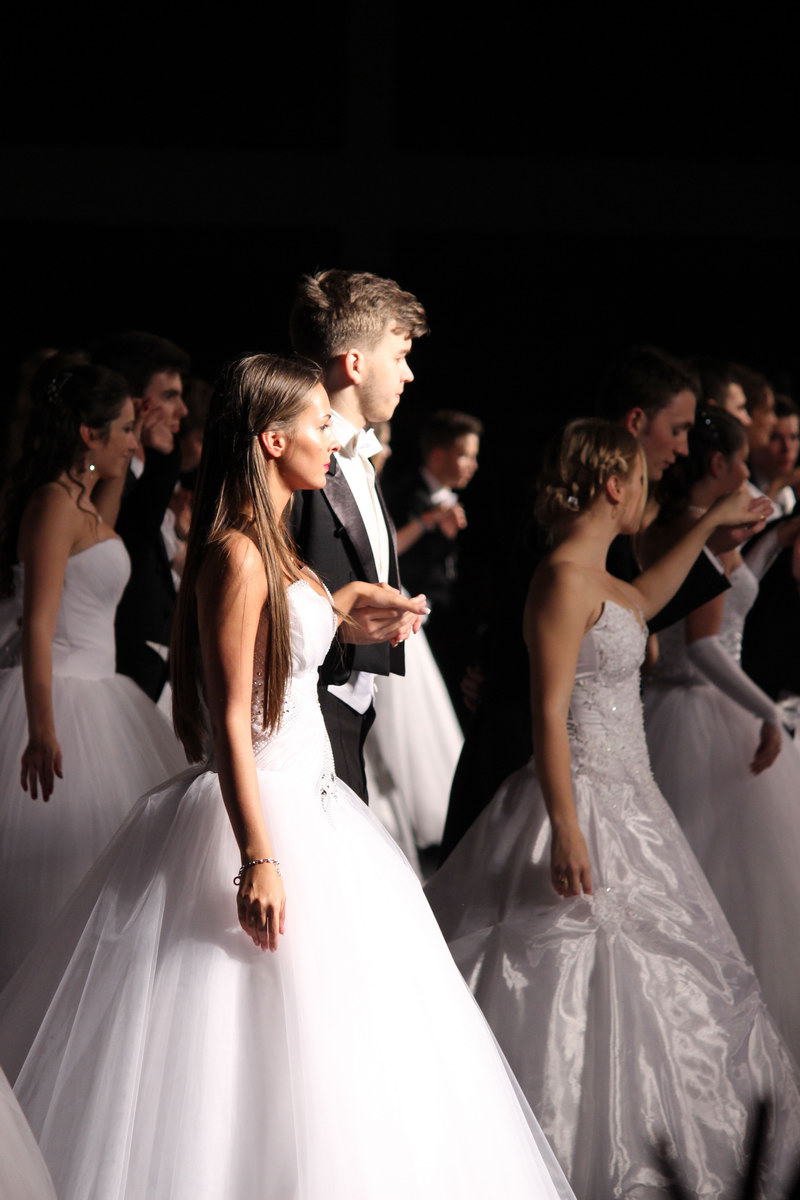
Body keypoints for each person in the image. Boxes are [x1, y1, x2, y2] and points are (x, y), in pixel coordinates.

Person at [0, 355, 574, 1200]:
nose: (332, 437)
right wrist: (258, 858)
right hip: (268, 810)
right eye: (317, 424)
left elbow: (292, 633)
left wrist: (347, 611)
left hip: (319, 801)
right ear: (273, 441)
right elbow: (233, 719)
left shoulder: (277, 546)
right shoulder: (235, 554)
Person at [426, 419, 800, 1199]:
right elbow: (548, 713)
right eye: (643, 482)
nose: (648, 496)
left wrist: (710, 518)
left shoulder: (603, 580)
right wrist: (566, 825)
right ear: (613, 485)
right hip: (581, 799)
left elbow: (652, 595)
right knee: (569, 970)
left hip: (635, 804)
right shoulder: (563, 578)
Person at [0, 365, 187, 988]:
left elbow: (113, 511)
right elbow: (37, 626)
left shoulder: (83, 501)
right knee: (60, 876)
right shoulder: (54, 503)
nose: (132, 443)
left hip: (104, 690)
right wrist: (41, 728)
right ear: (88, 434)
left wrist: (147, 434)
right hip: (61, 695)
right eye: (125, 430)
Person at [642, 406, 800, 1059]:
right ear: (720, 465)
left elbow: (731, 594)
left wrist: (771, 542)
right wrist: (768, 712)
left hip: (672, 704)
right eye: (740, 461)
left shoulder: (673, 526)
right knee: (725, 874)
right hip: (703, 707)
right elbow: (707, 646)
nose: (747, 472)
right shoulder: (699, 535)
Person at [288, 269, 429, 800]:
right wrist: (340, 626)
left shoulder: (362, 459)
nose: (408, 374)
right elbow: (261, 595)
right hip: (307, 711)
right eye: (400, 356)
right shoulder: (296, 460)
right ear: (355, 363)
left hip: (351, 709)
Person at [93, 330, 190, 701]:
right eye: (169, 396)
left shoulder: (151, 478)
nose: (182, 411)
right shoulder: (98, 488)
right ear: (135, 404)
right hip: (113, 668)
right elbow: (129, 542)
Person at [386, 409, 482, 720]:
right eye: (465, 455)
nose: (473, 465)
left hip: (448, 619)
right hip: (416, 619)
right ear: (439, 456)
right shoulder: (404, 494)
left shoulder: (457, 501)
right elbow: (394, 555)